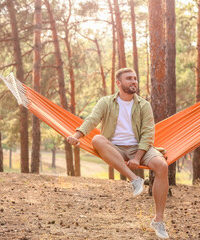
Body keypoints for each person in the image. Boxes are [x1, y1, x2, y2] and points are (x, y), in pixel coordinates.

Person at [67, 68, 169, 239]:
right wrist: (76, 135)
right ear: (118, 83)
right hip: (115, 148)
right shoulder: (106, 102)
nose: (133, 81)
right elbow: (92, 120)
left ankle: (158, 221)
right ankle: (134, 179)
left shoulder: (144, 105)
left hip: (140, 147)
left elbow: (148, 134)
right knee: (97, 140)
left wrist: (137, 157)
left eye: (135, 78)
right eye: (129, 78)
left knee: (162, 165)